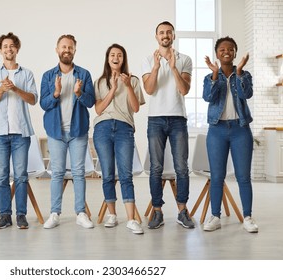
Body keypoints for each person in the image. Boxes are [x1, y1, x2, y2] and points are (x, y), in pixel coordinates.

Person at [141, 21, 195, 229]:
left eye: (168, 32)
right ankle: (157, 211)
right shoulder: (148, 60)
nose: (165, 35)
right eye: (161, 33)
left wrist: (173, 68)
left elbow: (184, 90)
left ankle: (182, 211)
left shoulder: (185, 60)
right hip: (155, 119)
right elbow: (149, 89)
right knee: (156, 168)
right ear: (156, 37)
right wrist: (156, 67)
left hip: (178, 119)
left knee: (182, 167)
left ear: (173, 36)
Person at [202, 36, 258, 233]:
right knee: (217, 176)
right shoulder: (210, 77)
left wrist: (240, 72)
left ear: (235, 53)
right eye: (222, 49)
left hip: (240, 130)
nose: (226, 52)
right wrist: (215, 74)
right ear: (217, 53)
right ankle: (215, 216)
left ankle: (248, 217)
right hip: (216, 130)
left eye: (231, 49)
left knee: (243, 176)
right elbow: (208, 97)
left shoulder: (245, 74)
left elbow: (246, 95)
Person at [40, 34, 95, 229]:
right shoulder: (48, 76)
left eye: (70, 47)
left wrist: (79, 94)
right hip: (56, 132)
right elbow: (43, 104)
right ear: (57, 49)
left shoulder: (84, 74)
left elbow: (91, 102)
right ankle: (55, 213)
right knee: (57, 173)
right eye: (63, 47)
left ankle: (81, 213)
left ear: (74, 50)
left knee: (79, 173)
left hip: (78, 131)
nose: (67, 50)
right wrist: (55, 93)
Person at [0, 32, 38, 229]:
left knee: (21, 176)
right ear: (1, 50)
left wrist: (15, 89)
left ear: (17, 49)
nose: (9, 49)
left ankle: (22, 215)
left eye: (12, 46)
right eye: (5, 46)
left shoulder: (27, 74)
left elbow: (33, 99)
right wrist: (1, 90)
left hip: (21, 134)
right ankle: (5, 215)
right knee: (1, 177)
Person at [93, 43, 145, 234]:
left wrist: (127, 85)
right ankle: (112, 215)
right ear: (108, 58)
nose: (116, 58)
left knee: (125, 174)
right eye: (113, 55)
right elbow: (98, 109)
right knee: (107, 173)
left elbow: (136, 107)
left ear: (124, 59)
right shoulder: (99, 82)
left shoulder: (134, 80)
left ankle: (131, 219)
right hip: (103, 128)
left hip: (124, 128)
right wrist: (113, 88)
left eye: (120, 55)